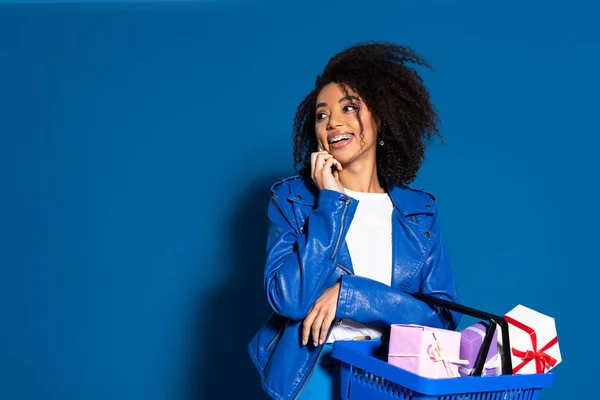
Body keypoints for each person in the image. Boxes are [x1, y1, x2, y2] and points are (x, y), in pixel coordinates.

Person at [247, 42, 461, 400]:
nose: (333, 123)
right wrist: (330, 201)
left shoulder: (418, 211)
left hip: (393, 375)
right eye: (321, 114)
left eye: (349, 108)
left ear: (382, 117)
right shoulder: (293, 199)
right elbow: (289, 300)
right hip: (313, 375)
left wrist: (354, 296)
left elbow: (443, 318)